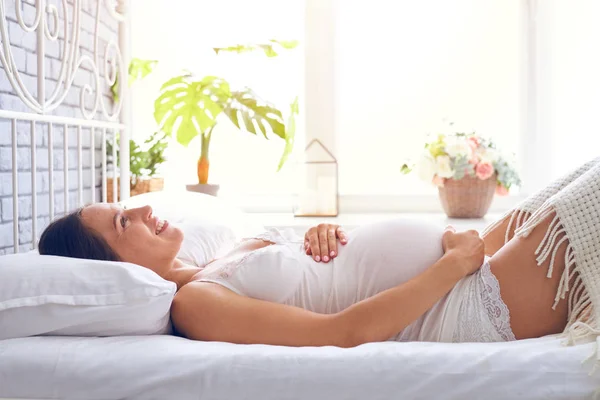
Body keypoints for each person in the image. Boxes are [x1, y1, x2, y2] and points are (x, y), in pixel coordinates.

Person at [37, 157, 600, 347]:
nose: (139, 209)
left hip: (465, 266)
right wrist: (452, 264)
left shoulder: (214, 263)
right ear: (111, 267)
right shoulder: (194, 305)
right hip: (458, 302)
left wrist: (318, 236)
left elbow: (319, 274)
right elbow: (342, 333)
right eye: (121, 222)